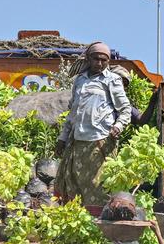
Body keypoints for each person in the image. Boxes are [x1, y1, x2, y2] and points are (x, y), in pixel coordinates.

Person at [53, 42, 132, 207]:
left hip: (100, 141)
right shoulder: (80, 80)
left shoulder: (112, 80)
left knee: (98, 187)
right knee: (72, 184)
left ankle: (98, 224)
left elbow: (125, 109)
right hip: (78, 142)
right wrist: (63, 138)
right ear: (88, 58)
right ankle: (75, 222)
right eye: (96, 59)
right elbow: (73, 113)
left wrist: (118, 126)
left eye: (104, 60)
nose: (100, 63)